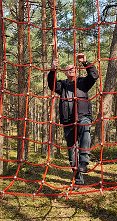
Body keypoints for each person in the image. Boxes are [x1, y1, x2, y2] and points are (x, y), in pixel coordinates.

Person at [47, 53, 99, 185]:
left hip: (83, 117)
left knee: (85, 131)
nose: (71, 70)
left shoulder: (82, 82)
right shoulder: (62, 85)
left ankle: (84, 161)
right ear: (64, 72)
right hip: (68, 121)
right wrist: (53, 69)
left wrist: (85, 62)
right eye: (68, 68)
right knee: (71, 151)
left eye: (74, 68)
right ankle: (78, 179)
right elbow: (51, 84)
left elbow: (94, 75)